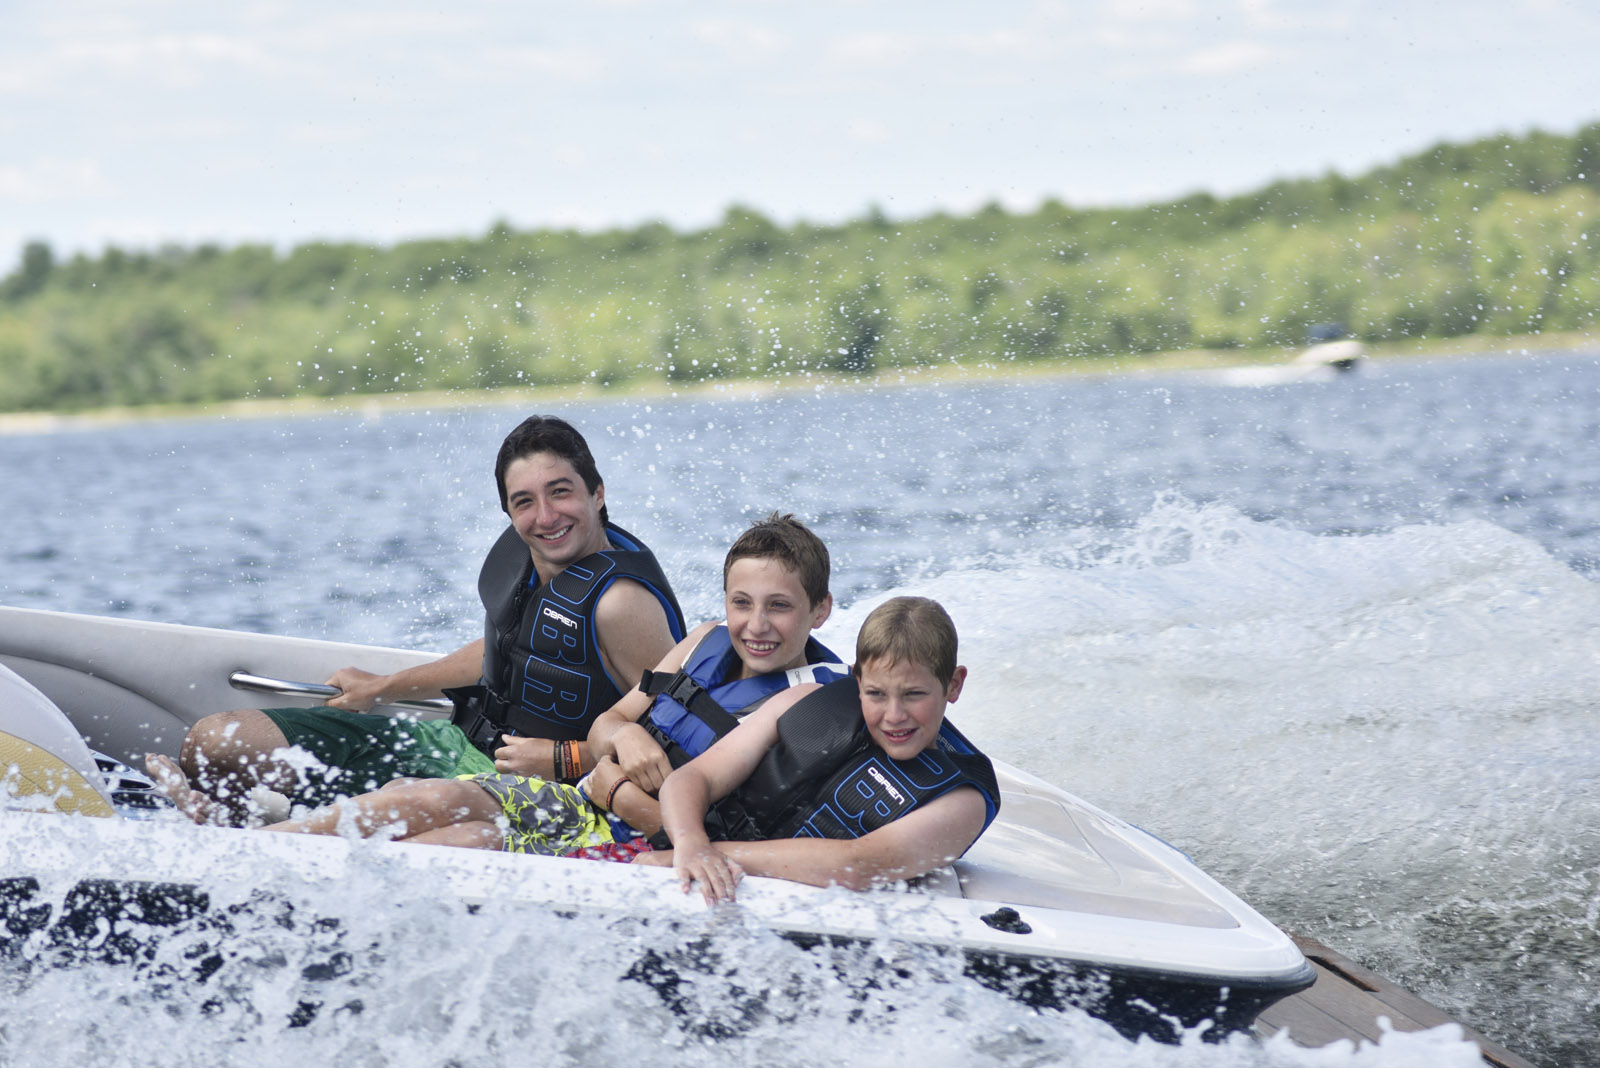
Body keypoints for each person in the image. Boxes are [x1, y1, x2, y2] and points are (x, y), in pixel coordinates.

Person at [148, 415, 685, 825]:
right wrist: (383, 687)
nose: (545, 517)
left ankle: (276, 829)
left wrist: (566, 759)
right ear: (508, 510)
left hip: (548, 793)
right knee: (216, 742)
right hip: (457, 745)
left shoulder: (621, 602)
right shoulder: (533, 559)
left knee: (399, 801)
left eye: (560, 491)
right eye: (524, 501)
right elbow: (509, 649)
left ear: (597, 492)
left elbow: (677, 736)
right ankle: (263, 819)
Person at [248, 513, 850, 858]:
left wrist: (616, 786)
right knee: (426, 800)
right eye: (742, 602)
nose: (755, 625)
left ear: (820, 610)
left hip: (637, 850)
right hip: (582, 803)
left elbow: (714, 828)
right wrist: (626, 742)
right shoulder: (704, 640)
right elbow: (609, 723)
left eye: (779, 606)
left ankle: (266, 862)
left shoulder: (811, 707)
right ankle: (262, 852)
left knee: (461, 843)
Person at [636, 596, 1000, 904]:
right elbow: (694, 777)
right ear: (857, 679)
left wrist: (707, 856)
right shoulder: (804, 700)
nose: (894, 716)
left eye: (914, 695)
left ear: (953, 685)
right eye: (876, 694)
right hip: (704, 869)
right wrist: (690, 842)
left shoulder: (963, 800)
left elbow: (856, 866)